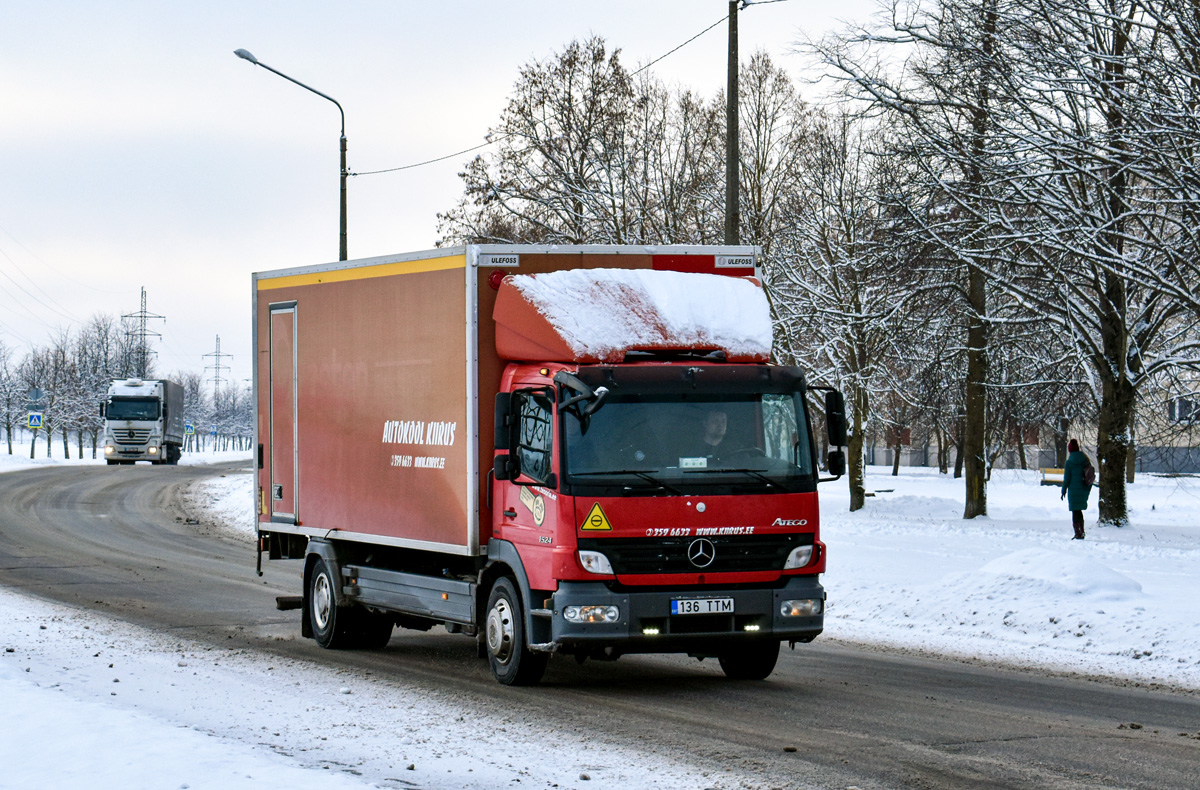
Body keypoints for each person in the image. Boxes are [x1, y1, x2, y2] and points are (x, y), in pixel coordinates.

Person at [1060, 438, 1092, 540]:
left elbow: (1067, 479)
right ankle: (1082, 531)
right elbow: (1089, 473)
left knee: (1075, 511)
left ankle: (1078, 533)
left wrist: (1063, 490)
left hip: (1073, 490)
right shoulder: (1085, 459)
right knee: (1079, 511)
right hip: (1083, 488)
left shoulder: (1069, 462)